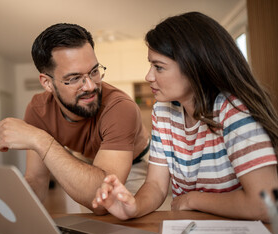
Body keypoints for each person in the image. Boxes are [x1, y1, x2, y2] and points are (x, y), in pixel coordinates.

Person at [92, 12, 278, 222]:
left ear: (194, 66)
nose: (148, 76)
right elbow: (156, 185)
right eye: (150, 65)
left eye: (159, 67)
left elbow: (266, 203)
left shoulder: (234, 111)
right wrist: (134, 207)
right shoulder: (163, 112)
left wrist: (192, 200)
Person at [0, 23, 149, 215]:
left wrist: (40, 139)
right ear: (47, 83)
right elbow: (37, 179)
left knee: (120, 220)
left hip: (133, 162)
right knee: (89, 225)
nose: (91, 86)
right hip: (87, 161)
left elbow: (101, 201)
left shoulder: (120, 107)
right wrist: (9, 209)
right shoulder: (38, 110)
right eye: (74, 78)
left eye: (94, 71)